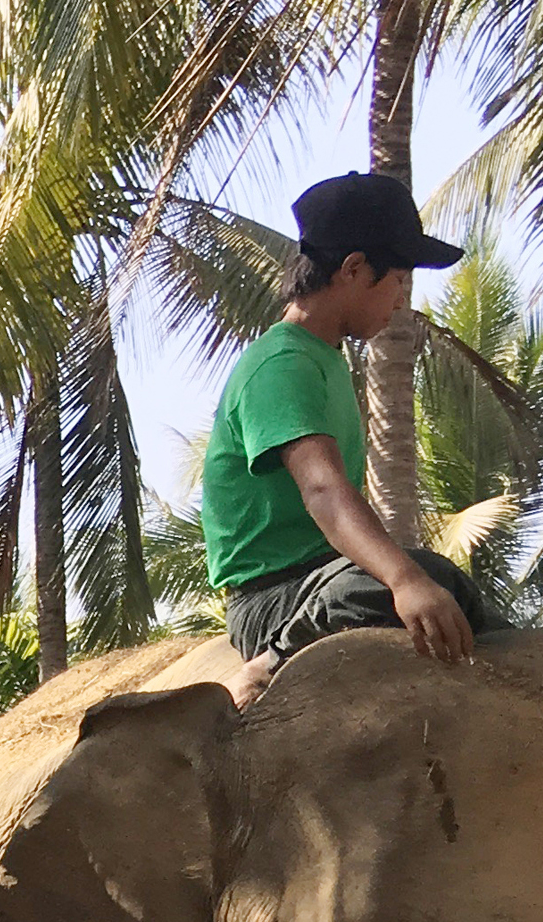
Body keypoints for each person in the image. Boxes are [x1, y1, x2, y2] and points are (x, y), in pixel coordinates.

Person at [205, 172, 492, 703]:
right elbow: (323, 492)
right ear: (355, 269)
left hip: (323, 579)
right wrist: (404, 580)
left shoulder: (325, 360)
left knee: (451, 587)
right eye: (398, 279)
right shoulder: (283, 363)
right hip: (277, 602)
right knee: (406, 578)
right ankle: (270, 663)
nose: (402, 299)